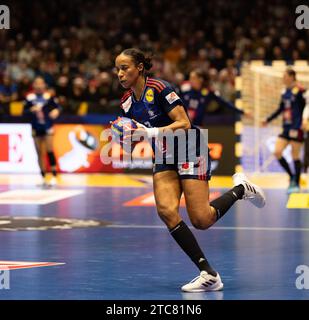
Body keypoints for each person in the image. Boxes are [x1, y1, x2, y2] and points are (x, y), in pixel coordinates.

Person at [115, 48, 266, 292]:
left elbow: (184, 124)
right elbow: (133, 140)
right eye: (117, 69)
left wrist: (148, 133)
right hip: (164, 155)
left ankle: (241, 189)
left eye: (125, 68)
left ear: (139, 67)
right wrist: (124, 138)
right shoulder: (126, 102)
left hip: (189, 148)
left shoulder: (160, 88)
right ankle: (208, 273)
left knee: (202, 220)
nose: (120, 74)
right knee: (166, 211)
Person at [262, 68, 306, 193]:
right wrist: (268, 119)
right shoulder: (284, 92)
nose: (283, 78)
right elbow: (280, 109)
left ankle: (296, 183)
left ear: (292, 77)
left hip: (297, 128)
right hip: (286, 128)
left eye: (285, 76)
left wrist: (304, 121)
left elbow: (307, 106)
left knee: (295, 155)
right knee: (277, 151)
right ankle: (292, 176)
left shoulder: (300, 91)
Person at [23, 76, 61, 187]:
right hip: (35, 127)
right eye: (37, 84)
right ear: (34, 85)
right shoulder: (29, 98)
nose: (39, 86)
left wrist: (56, 111)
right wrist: (30, 110)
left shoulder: (48, 97)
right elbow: (23, 112)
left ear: (44, 85)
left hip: (47, 126)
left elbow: (58, 107)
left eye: (41, 84)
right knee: (39, 152)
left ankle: (54, 175)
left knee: (49, 149)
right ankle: (43, 176)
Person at [181, 68, 250, 126]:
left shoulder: (208, 92)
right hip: (182, 127)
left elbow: (225, 103)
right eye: (190, 78)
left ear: (200, 79)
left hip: (197, 127)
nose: (190, 80)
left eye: (193, 78)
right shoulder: (185, 91)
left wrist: (242, 112)